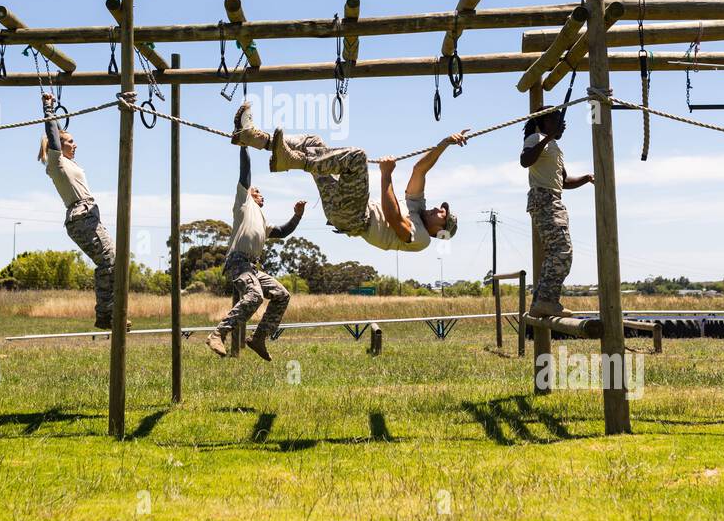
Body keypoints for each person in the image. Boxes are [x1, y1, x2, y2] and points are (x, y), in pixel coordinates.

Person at [230, 102, 463, 253]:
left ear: (439, 231)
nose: (436, 210)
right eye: (440, 208)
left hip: (355, 218)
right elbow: (419, 170)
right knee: (313, 143)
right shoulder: (417, 206)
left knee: (357, 158)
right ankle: (255, 138)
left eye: (441, 215)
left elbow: (392, 218)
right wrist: (444, 144)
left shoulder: (422, 239)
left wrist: (386, 176)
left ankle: (291, 160)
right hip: (340, 204)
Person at [206, 143, 306, 361]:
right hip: (237, 262)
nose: (261, 195)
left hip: (251, 267)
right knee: (255, 296)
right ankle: (218, 333)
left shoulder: (261, 221)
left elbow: (282, 231)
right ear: (248, 193)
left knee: (282, 295)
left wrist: (297, 216)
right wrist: (244, 145)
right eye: (257, 191)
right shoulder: (243, 203)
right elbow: (245, 171)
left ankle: (259, 338)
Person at [37, 92, 124, 331]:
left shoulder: (70, 164)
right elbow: (52, 135)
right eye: (70, 142)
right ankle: (107, 314)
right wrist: (48, 108)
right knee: (110, 262)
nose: (75, 145)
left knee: (114, 262)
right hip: (81, 217)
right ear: (59, 146)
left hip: (89, 216)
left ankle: (109, 312)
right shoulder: (56, 162)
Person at [519, 108, 593, 318]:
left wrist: (586, 178)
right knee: (562, 252)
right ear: (544, 122)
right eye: (557, 119)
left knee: (555, 253)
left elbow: (563, 181)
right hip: (545, 199)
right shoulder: (537, 137)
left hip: (552, 199)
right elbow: (525, 160)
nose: (563, 123)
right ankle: (547, 301)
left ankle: (540, 303)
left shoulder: (553, 145)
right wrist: (548, 137)